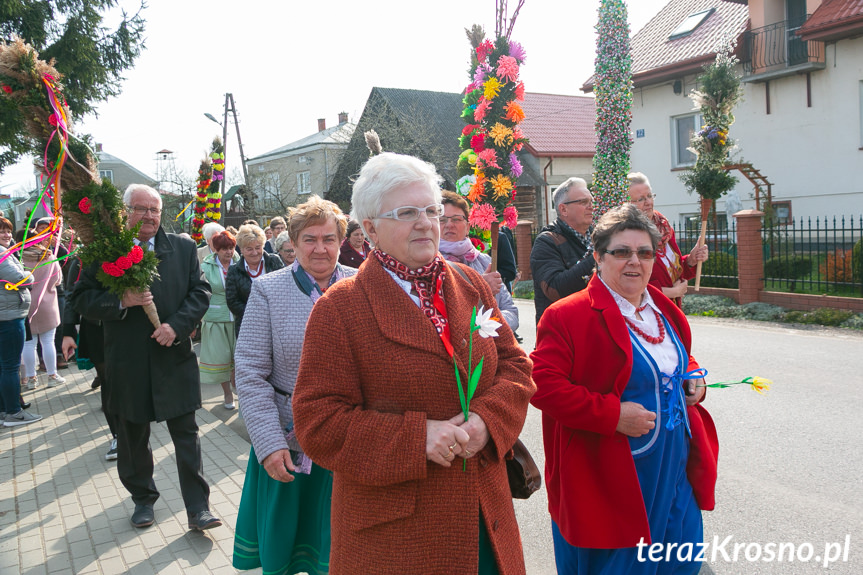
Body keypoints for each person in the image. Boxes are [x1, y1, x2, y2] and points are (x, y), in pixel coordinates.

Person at [292, 152, 535, 575]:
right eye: (406, 212)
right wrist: (416, 438)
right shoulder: (339, 309)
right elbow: (317, 422)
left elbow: (515, 366)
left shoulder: (471, 283)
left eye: (431, 210)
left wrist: (485, 421)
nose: (425, 222)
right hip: (398, 538)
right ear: (369, 228)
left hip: (485, 516)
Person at [530, 204, 718, 574]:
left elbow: (677, 359)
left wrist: (694, 377)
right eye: (622, 252)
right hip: (611, 471)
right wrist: (613, 415)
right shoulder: (567, 315)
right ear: (598, 257)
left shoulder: (665, 309)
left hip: (673, 464)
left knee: (678, 560)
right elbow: (543, 385)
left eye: (644, 252)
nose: (635, 261)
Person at [70, 184, 221, 531]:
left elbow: (200, 292)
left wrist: (177, 327)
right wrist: (121, 302)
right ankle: (142, 500)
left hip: (174, 357)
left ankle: (198, 508)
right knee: (132, 436)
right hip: (128, 362)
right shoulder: (102, 252)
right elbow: (79, 298)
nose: (149, 216)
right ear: (124, 212)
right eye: (141, 209)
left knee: (186, 434)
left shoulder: (182, 247)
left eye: (154, 210)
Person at [232, 195, 356, 575]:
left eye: (329, 239)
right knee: (289, 548)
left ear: (341, 241)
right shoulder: (269, 290)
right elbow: (250, 373)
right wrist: (268, 444)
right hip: (288, 441)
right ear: (294, 242)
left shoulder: (361, 285)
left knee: (343, 551)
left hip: (348, 440)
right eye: (310, 239)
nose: (320, 248)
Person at [62, 253, 118, 459]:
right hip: (96, 328)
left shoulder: (131, 249)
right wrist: (68, 330)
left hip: (129, 328)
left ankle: (134, 429)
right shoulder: (82, 258)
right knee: (108, 381)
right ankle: (118, 436)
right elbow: (71, 295)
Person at [439, 191, 519, 331]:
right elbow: (441, 317)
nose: (449, 224)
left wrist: (489, 327)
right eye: (442, 219)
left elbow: (512, 313)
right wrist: (480, 288)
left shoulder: (484, 262)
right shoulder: (428, 264)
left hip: (492, 348)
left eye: (456, 219)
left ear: (468, 227)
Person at [628, 172, 709, 307]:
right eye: (641, 199)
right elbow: (627, 285)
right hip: (646, 311)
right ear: (628, 203)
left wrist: (691, 260)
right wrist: (671, 292)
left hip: (672, 308)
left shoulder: (663, 226)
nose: (648, 202)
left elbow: (672, 270)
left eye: (649, 196)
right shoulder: (628, 235)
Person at [530, 177, 596, 324]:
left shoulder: (598, 237)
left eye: (591, 201)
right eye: (583, 202)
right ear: (563, 209)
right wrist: (596, 258)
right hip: (561, 331)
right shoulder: (547, 241)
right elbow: (555, 289)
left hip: (593, 327)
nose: (591, 206)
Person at [0, 220, 41, 427]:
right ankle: (13, 413)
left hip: (7, 315)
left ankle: (5, 410)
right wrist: (29, 274)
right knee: (10, 367)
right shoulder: (1, 254)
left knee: (4, 366)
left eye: (8, 231)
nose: (7, 235)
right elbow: (20, 279)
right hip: (8, 318)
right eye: (2, 232)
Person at [199, 230, 240, 410]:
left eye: (231, 248)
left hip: (238, 317)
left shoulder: (241, 263)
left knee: (239, 359)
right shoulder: (206, 266)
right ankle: (227, 393)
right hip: (215, 318)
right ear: (215, 249)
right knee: (221, 359)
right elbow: (202, 292)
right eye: (224, 248)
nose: (228, 252)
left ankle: (241, 393)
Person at [20, 229, 65, 389]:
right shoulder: (49, 256)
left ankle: (31, 379)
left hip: (26, 305)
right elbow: (57, 280)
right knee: (48, 342)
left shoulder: (19, 259)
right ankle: (52, 375)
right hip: (47, 304)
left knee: (28, 344)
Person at [225, 224, 283, 336]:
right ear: (241, 249)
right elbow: (232, 301)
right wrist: (257, 313)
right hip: (247, 326)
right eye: (249, 249)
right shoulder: (234, 270)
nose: (255, 253)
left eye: (258, 247)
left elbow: (285, 290)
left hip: (276, 324)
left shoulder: (274, 261)